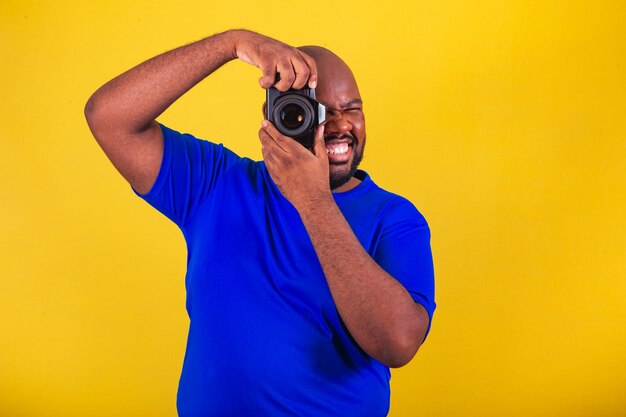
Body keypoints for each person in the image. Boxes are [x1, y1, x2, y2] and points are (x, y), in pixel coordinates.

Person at [85, 29, 436, 417]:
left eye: (351, 109)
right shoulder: (216, 183)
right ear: (275, 117)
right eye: (314, 110)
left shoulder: (395, 218)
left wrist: (313, 199)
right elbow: (109, 117)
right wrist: (233, 43)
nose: (338, 125)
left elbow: (398, 343)